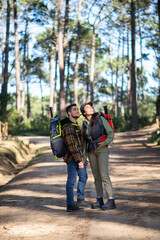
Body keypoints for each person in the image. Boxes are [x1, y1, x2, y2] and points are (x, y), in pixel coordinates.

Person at [80, 102, 116, 210]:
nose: (90, 108)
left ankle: (111, 200)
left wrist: (104, 143)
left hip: (101, 150)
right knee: (96, 177)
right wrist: (84, 157)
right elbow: (84, 142)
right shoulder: (84, 123)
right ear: (84, 112)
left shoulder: (100, 119)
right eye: (87, 107)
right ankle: (99, 200)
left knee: (104, 175)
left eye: (91, 107)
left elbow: (110, 134)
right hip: (91, 152)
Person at [61, 103, 89, 212]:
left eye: (77, 109)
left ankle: (80, 199)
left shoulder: (76, 125)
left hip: (79, 157)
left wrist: (83, 158)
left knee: (83, 177)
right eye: (74, 110)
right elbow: (72, 146)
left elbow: (80, 144)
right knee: (71, 181)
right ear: (69, 113)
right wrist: (79, 161)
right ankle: (70, 204)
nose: (77, 111)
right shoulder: (68, 128)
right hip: (72, 158)